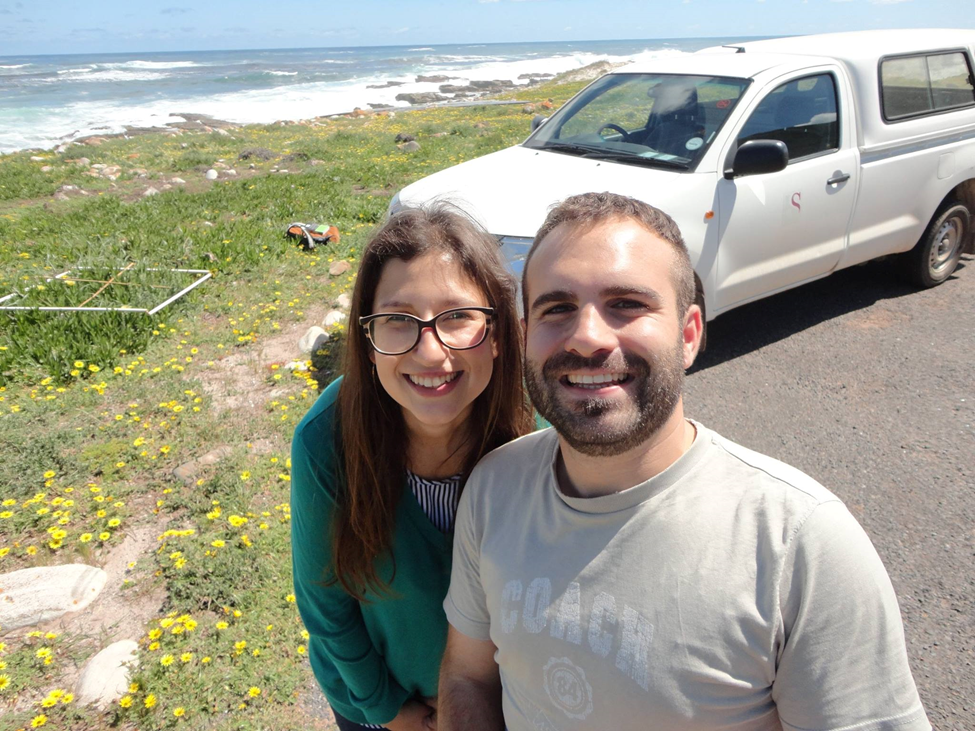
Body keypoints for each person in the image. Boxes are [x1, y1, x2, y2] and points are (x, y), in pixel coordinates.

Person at [438, 192, 930, 731]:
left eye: (627, 303)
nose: (587, 337)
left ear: (689, 334)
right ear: (527, 337)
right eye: (557, 308)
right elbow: (468, 677)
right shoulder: (494, 488)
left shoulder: (800, 543)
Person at [291, 204, 534, 731]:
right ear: (368, 341)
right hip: (377, 703)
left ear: (497, 333)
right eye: (398, 320)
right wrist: (389, 712)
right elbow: (325, 605)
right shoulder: (328, 438)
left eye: (457, 317)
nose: (430, 353)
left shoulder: (534, 433)